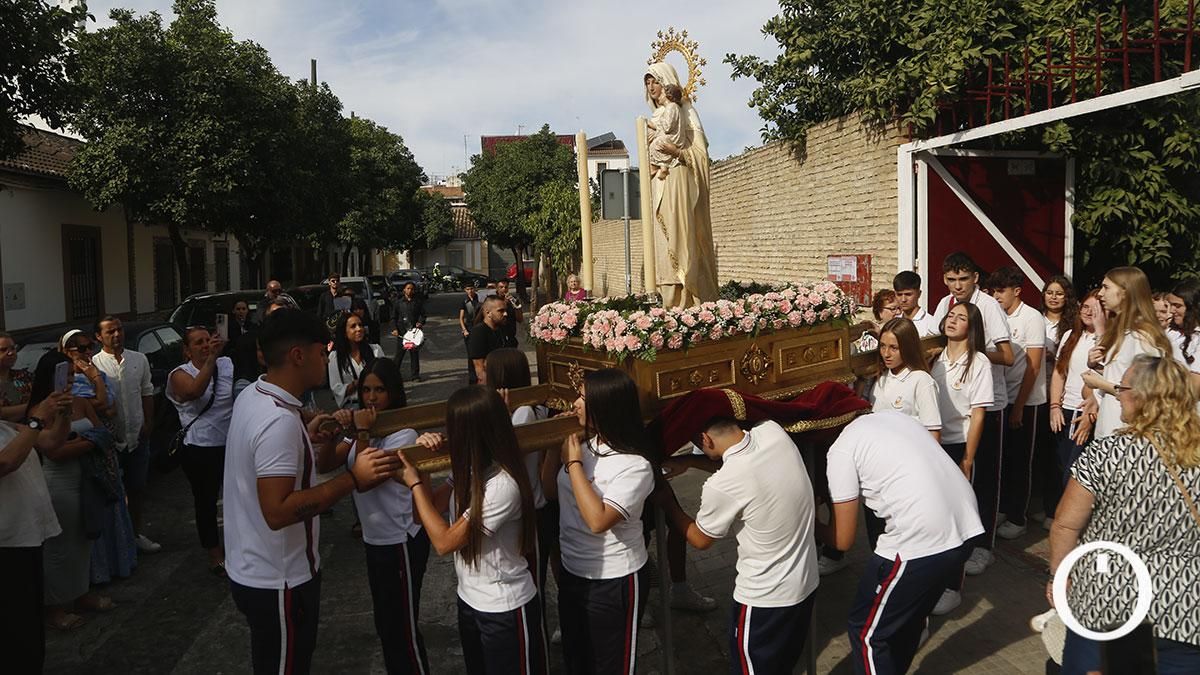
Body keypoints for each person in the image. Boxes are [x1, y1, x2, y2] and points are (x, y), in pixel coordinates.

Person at [223, 308, 401, 675]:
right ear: (298, 356)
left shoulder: (255, 396)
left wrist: (308, 428)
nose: (327, 359)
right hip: (280, 579)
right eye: (322, 352)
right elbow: (278, 511)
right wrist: (353, 478)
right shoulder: (277, 423)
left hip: (253, 570)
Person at [1049, 355, 1200, 674]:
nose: (1118, 393)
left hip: (1110, 603)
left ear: (1143, 397)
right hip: (1188, 611)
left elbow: (1065, 524)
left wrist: (1058, 577)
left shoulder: (1105, 454)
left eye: (1123, 387)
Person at [653, 393, 820, 674]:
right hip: (804, 585)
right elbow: (739, 465)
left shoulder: (723, 485)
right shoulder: (772, 432)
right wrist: (692, 463)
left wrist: (669, 503)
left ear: (705, 440)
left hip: (765, 599)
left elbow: (701, 538)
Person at [818, 411, 983, 675]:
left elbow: (843, 539)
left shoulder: (841, 450)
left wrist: (811, 525)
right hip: (967, 525)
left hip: (920, 541)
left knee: (867, 633)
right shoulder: (897, 418)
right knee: (907, 621)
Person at [400, 386, 549, 675]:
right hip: (470, 600)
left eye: (452, 426)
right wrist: (425, 465)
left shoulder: (503, 485)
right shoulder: (471, 471)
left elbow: (444, 542)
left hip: (505, 609)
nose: (446, 432)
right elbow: (422, 516)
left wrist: (414, 482)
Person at [315, 359, 431, 675]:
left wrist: (361, 429)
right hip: (375, 539)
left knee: (402, 628)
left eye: (379, 390)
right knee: (385, 624)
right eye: (366, 389)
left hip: (401, 541)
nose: (371, 397)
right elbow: (324, 466)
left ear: (393, 393)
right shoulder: (361, 432)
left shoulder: (404, 433)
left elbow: (366, 478)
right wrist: (331, 436)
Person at [543, 368, 655, 674]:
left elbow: (598, 520)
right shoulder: (588, 446)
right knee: (577, 660)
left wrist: (574, 462)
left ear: (605, 406)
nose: (574, 404)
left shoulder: (634, 466)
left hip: (614, 581)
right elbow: (551, 491)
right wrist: (556, 448)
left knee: (610, 666)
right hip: (573, 573)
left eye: (581, 397)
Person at [931, 252, 1012, 575]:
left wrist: (971, 352)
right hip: (950, 406)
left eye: (963, 279)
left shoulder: (988, 307)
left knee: (983, 480)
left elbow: (1006, 355)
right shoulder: (944, 305)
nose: (957, 286)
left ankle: (983, 546)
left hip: (986, 405)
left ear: (976, 278)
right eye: (951, 280)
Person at [31, 351, 115, 630]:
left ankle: (80, 593)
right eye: (63, 375)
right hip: (58, 482)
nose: (69, 380)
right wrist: (89, 442)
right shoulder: (41, 410)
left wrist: (83, 441)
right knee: (59, 546)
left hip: (86, 479)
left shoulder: (80, 402)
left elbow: (103, 432)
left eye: (71, 374)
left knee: (83, 540)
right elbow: (54, 451)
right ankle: (56, 605)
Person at [0, 381, 71, 672]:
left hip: (25, 536)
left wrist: (63, 413)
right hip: (5, 544)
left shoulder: (7, 426)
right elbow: (5, 463)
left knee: (29, 621)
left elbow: (51, 442)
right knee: (14, 627)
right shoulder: (20, 426)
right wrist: (36, 418)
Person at [929, 301, 994, 615]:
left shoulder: (978, 362)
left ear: (973, 327)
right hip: (933, 444)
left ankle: (953, 586)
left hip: (959, 445)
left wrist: (968, 458)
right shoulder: (934, 359)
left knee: (957, 519)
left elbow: (979, 414)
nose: (953, 320)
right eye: (950, 315)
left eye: (961, 318)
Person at [643, 62, 720, 307]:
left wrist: (677, 151)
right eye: (647, 82)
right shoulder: (654, 117)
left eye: (655, 81)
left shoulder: (686, 113)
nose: (651, 86)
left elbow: (700, 155)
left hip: (680, 181)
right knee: (662, 243)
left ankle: (688, 300)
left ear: (667, 84)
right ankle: (668, 301)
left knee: (681, 237)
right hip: (660, 182)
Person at [62, 332, 136, 586]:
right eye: (79, 348)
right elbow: (101, 402)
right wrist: (95, 381)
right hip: (86, 448)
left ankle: (120, 561)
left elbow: (110, 407)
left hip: (106, 448)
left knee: (112, 504)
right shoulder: (66, 382)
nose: (85, 352)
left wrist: (98, 390)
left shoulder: (96, 375)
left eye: (88, 347)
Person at [167, 327, 235, 576]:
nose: (206, 345)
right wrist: (211, 360)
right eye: (199, 343)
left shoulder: (227, 364)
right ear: (187, 350)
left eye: (208, 340)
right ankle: (214, 553)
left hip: (230, 443)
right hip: (200, 447)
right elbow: (193, 391)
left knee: (237, 498)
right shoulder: (179, 374)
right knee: (206, 502)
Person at [91, 316, 160, 554]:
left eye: (119, 329)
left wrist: (149, 422)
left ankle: (136, 534)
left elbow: (146, 392)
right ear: (99, 337)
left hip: (138, 437)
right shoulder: (94, 365)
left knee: (137, 489)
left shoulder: (138, 359)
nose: (117, 335)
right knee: (110, 493)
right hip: (109, 441)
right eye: (110, 331)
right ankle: (116, 544)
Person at [485, 348, 552, 589]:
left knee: (531, 584)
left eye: (487, 372)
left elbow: (505, 458)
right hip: (517, 509)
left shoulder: (524, 412)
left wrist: (498, 418)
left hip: (529, 512)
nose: (482, 377)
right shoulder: (515, 410)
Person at [1082, 267, 1175, 439]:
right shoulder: (1125, 331)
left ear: (1125, 292)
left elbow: (1145, 391)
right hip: (1110, 428)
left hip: (1128, 434)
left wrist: (1099, 383)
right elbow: (1123, 375)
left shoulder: (1142, 336)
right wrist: (1097, 368)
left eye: (1106, 287)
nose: (1101, 294)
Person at [988, 267, 1047, 540]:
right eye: (994, 290)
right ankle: (1003, 507)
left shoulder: (1032, 317)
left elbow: (1033, 367)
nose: (996, 295)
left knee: (1022, 459)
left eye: (1001, 290)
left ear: (1017, 291)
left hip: (1027, 399)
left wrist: (1020, 406)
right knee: (1005, 458)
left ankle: (1018, 516)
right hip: (1002, 397)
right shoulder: (997, 315)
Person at [1050, 291, 1105, 485]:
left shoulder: (1107, 338)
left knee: (1074, 472)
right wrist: (1055, 406)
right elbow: (1059, 372)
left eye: (1096, 309)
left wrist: (1092, 413)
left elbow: (1103, 377)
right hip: (1065, 410)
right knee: (1058, 465)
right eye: (1086, 307)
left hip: (1086, 413)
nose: (1089, 312)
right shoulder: (1070, 335)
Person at [872, 317, 942, 438]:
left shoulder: (922, 381)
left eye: (894, 348)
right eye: (883, 346)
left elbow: (933, 431)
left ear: (908, 348)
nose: (886, 354)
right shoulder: (880, 379)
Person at [328, 311, 385, 410]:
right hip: (351, 407)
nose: (359, 329)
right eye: (353, 326)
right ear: (344, 333)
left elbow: (385, 378)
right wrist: (357, 383)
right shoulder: (335, 357)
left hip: (375, 406)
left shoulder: (375, 350)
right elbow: (336, 388)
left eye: (360, 325)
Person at [61, 329, 114, 419]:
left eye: (90, 346)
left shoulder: (101, 374)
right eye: (82, 348)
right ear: (68, 352)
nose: (88, 351)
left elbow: (113, 408)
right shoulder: (69, 381)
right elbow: (101, 404)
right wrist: (96, 378)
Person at [647, 83, 686, 180]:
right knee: (656, 142)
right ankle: (663, 167)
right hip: (671, 137)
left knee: (656, 144)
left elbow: (668, 127)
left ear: (668, 96)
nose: (660, 96)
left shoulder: (671, 107)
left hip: (672, 138)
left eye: (662, 94)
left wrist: (658, 124)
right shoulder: (672, 107)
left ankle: (655, 168)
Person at [467, 297, 508, 385]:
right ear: (488, 313)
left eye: (505, 310)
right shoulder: (479, 332)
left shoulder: (499, 329)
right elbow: (479, 367)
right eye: (500, 311)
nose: (505, 314)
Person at [1167, 280, 1200, 389]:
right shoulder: (1169, 333)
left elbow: (1195, 385)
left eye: (1177, 306)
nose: (1171, 310)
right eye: (1171, 305)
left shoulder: (1197, 339)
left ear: (1193, 308)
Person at [391, 282, 427, 382]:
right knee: (399, 355)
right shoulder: (398, 303)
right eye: (407, 288)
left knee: (414, 354)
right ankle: (393, 375)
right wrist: (394, 329)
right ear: (404, 290)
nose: (409, 290)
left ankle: (415, 376)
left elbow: (423, 315)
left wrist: (420, 322)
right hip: (402, 333)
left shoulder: (417, 302)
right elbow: (393, 317)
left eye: (411, 289)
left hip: (414, 333)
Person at [893, 271, 940, 337]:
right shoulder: (894, 322)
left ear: (919, 294)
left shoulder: (931, 324)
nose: (903, 299)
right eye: (899, 294)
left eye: (908, 294)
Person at [0, 331, 33, 421]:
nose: (10, 353)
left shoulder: (24, 376)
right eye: (3, 350)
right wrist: (32, 406)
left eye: (13, 348)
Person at [459, 284, 484, 384]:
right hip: (469, 328)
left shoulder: (480, 299)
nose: (470, 291)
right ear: (465, 290)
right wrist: (464, 329)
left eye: (471, 289)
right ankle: (472, 377)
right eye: (468, 289)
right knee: (470, 354)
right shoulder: (464, 302)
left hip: (479, 328)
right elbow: (461, 318)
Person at [495, 280, 523, 348]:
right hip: (498, 337)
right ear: (497, 288)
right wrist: (505, 303)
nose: (504, 289)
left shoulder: (513, 300)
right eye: (501, 287)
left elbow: (520, 319)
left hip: (511, 336)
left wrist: (517, 308)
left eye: (506, 287)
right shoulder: (493, 300)